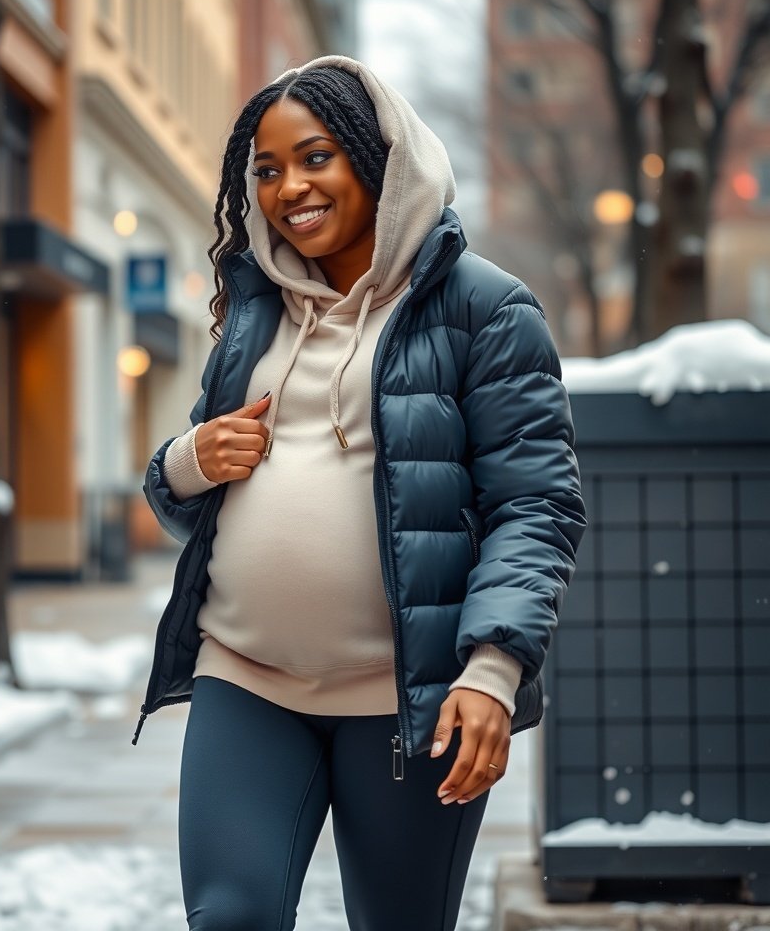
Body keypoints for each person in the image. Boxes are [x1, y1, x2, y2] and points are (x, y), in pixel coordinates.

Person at [136, 56, 587, 931]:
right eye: (265, 171)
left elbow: (537, 505)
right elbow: (184, 498)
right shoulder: (254, 311)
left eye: (315, 158)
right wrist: (188, 458)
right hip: (247, 676)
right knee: (229, 917)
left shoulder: (484, 308)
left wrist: (493, 671)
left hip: (407, 704)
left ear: (379, 161)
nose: (287, 188)